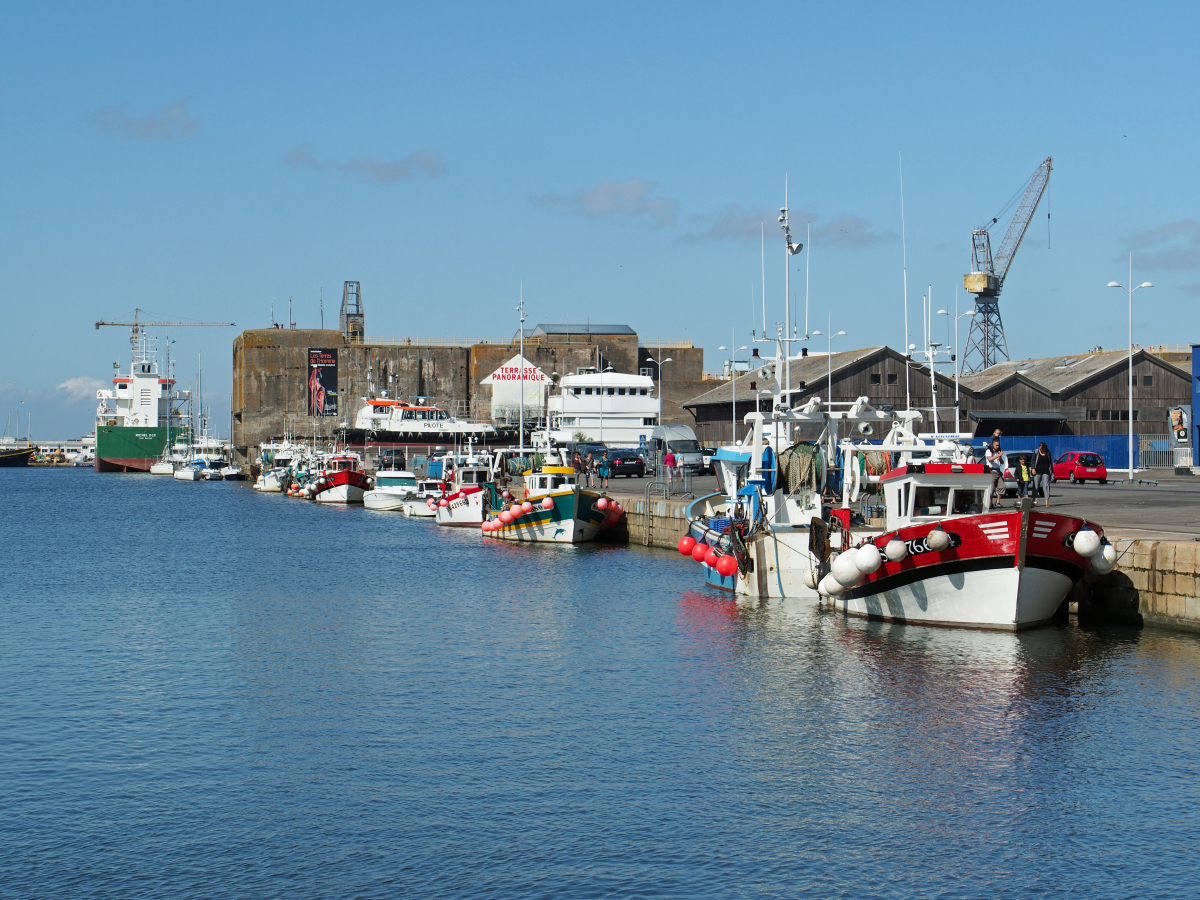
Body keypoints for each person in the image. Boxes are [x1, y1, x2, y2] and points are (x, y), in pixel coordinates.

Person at [985, 438, 1005, 507]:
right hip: (991, 471)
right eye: (996, 445)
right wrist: (998, 455)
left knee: (1002, 487)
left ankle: (998, 501)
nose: (997, 447)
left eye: (998, 445)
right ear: (993, 445)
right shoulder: (989, 451)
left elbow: (1002, 462)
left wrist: (1000, 458)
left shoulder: (997, 452)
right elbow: (990, 459)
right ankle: (990, 503)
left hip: (998, 471)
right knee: (991, 488)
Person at [1032, 442, 1052, 507]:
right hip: (1037, 471)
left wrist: (1052, 471)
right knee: (1036, 486)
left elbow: (1050, 462)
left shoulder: (1048, 452)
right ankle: (1033, 499)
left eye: (1041, 448)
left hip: (1046, 471)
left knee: (1046, 486)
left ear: (1044, 448)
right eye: (1039, 448)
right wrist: (1033, 468)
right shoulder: (1036, 452)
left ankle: (1047, 501)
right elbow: (1033, 461)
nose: (1040, 449)